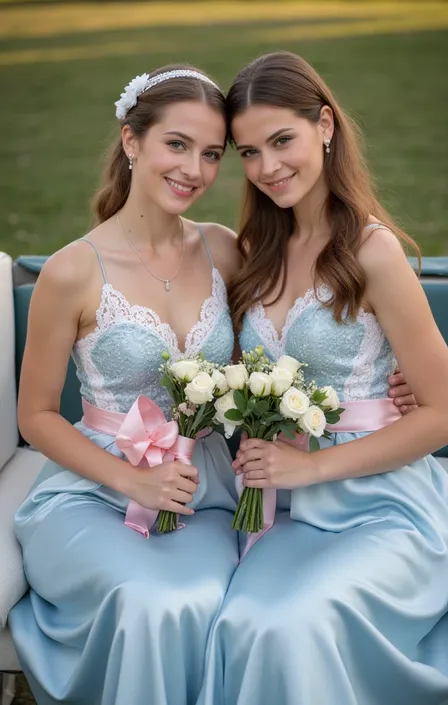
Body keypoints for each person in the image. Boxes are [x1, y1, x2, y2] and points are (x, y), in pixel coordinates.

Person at [198, 51, 448, 705]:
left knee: (291, 623)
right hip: (276, 509)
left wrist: (314, 466)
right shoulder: (255, 253)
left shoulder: (372, 252)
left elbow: (447, 413)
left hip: (380, 508)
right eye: (249, 152)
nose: (268, 167)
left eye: (282, 140)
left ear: (324, 125)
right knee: (240, 619)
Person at [8, 64, 241, 705]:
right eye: (176, 144)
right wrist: (134, 479)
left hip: (206, 490)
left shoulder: (224, 250)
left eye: (212, 154)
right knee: (147, 601)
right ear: (132, 141)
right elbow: (37, 416)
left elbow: (284, 337)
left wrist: (394, 381)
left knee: (205, 597)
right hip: (96, 490)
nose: (193, 169)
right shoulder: (73, 270)